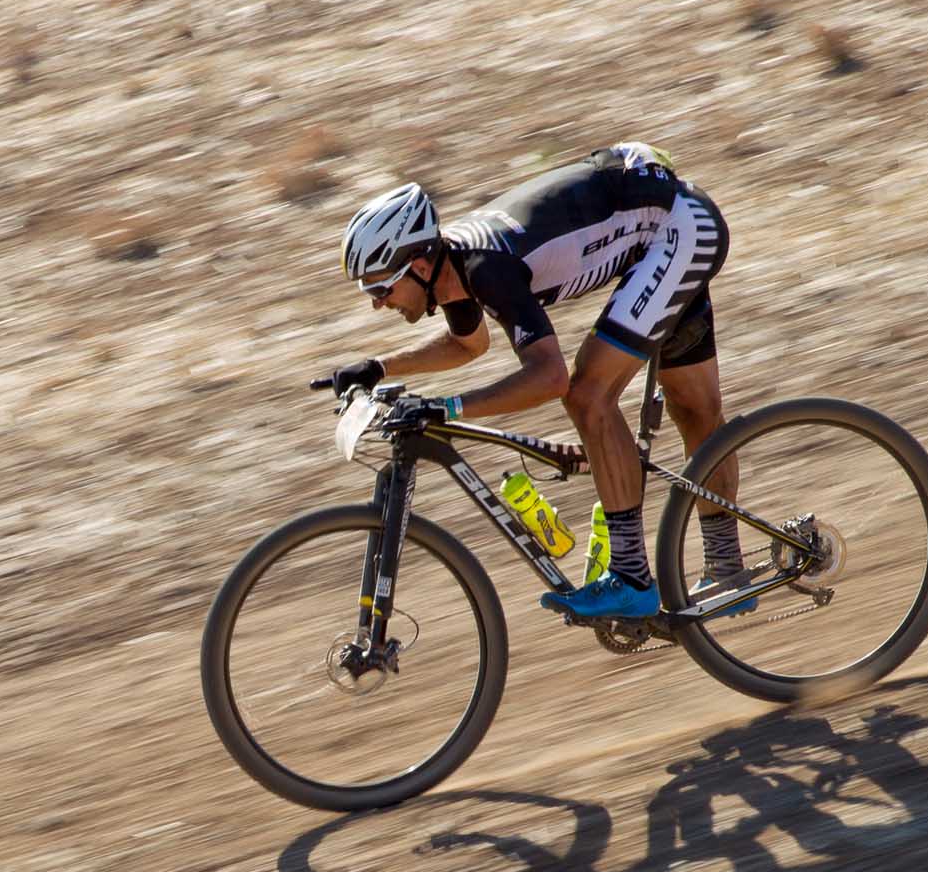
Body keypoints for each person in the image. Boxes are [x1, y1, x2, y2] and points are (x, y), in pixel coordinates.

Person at [319, 142, 746, 620]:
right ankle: (728, 571)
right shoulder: (451, 268)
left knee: (587, 395)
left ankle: (632, 578)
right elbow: (466, 344)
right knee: (693, 408)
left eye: (380, 287)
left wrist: (448, 408)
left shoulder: (485, 267)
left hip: (680, 229)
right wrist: (379, 367)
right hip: (661, 229)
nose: (377, 302)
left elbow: (549, 377)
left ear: (418, 266)